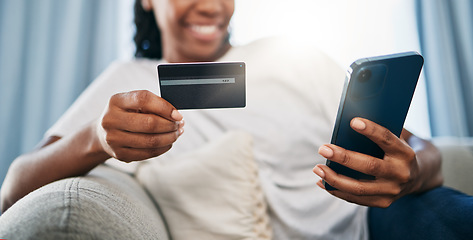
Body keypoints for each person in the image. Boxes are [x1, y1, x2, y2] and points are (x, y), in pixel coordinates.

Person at [1, 0, 471, 239]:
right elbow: (13, 188)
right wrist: (94, 139)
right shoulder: (128, 80)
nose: (210, 6)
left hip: (378, 225)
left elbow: (424, 153)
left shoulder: (295, 56)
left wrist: (411, 174)